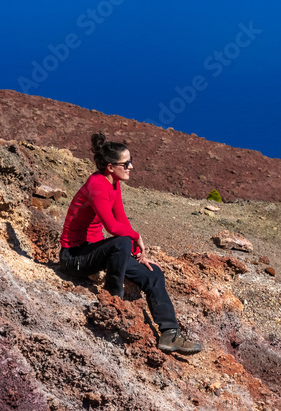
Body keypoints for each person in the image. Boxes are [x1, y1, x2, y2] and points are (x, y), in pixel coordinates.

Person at [58, 132, 202, 355]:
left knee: (153, 273)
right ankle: (113, 301)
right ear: (110, 166)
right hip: (73, 260)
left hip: (93, 253)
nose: (131, 167)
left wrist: (138, 254)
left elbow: (121, 219)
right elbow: (113, 228)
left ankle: (169, 334)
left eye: (130, 162)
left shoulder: (113, 184)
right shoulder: (97, 186)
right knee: (122, 240)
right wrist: (135, 237)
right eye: (126, 163)